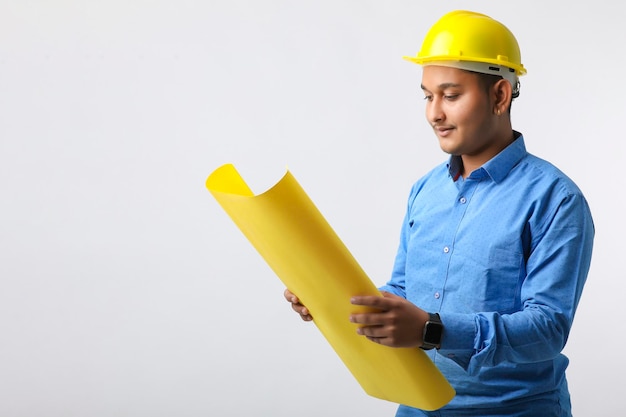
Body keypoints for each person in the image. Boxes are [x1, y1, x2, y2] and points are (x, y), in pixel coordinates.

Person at [284, 9, 594, 417]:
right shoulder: (425, 190)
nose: (434, 113)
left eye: (450, 95)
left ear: (500, 95)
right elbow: (402, 292)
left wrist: (432, 330)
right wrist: (335, 303)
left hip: (512, 411)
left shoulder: (555, 198)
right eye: (427, 96)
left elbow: (547, 329)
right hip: (417, 405)